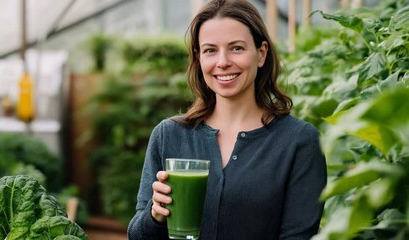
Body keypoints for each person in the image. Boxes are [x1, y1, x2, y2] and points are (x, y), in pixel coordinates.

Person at [127, 0, 327, 239]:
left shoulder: (299, 141)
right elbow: (137, 235)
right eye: (210, 50)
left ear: (261, 53)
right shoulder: (168, 135)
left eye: (236, 48)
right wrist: (154, 215)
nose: (222, 62)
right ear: (199, 58)